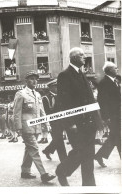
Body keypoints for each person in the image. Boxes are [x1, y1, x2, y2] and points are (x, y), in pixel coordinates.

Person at [55, 47, 102, 186]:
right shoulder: (65, 75)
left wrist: (98, 122)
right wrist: (70, 123)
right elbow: (64, 102)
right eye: (81, 55)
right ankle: (62, 171)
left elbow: (91, 100)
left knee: (88, 156)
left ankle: (89, 186)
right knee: (80, 153)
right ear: (73, 57)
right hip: (76, 124)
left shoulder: (82, 75)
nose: (84, 57)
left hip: (89, 123)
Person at [13, 70, 56, 183]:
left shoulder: (37, 94)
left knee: (29, 149)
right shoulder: (21, 93)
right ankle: (44, 174)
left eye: (36, 79)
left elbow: (42, 112)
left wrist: (46, 124)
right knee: (34, 149)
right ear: (26, 80)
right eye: (31, 78)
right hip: (26, 127)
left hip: (36, 127)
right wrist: (18, 128)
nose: (34, 81)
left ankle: (25, 171)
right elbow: (16, 112)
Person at [95, 62, 121, 167]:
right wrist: (106, 117)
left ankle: (99, 155)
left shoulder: (114, 81)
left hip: (117, 114)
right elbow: (102, 101)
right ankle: (99, 155)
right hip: (112, 116)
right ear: (109, 70)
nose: (117, 69)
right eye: (115, 68)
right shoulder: (104, 83)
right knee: (118, 137)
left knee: (114, 137)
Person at [42, 79, 67, 161]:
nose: (57, 88)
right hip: (53, 122)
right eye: (55, 86)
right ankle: (64, 160)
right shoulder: (46, 98)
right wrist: (47, 124)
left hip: (63, 121)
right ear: (50, 88)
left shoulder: (61, 96)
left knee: (57, 139)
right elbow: (45, 112)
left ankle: (47, 150)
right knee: (59, 140)